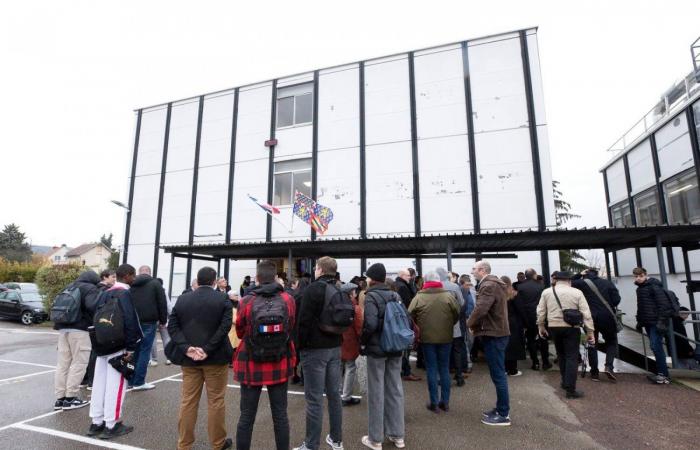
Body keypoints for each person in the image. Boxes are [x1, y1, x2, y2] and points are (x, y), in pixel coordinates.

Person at [167, 267, 233, 450]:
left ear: (198, 280)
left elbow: (172, 326)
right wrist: (207, 349)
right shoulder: (222, 298)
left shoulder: (183, 298)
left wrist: (186, 348)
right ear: (214, 282)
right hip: (215, 357)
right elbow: (225, 326)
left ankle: (184, 444)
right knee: (216, 401)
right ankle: (218, 443)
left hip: (189, 360)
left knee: (188, 401)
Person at [234, 260, 296, 450]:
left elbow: (240, 331)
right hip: (279, 359)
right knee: (280, 415)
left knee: (246, 416)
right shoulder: (288, 299)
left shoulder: (246, 300)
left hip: (251, 360)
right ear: (276, 277)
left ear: (257, 278)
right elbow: (290, 327)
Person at [294, 256, 344, 450]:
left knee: (314, 399)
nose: (314, 270)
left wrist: (300, 347)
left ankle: (311, 444)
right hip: (335, 347)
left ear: (321, 270)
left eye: (315, 268)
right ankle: (336, 439)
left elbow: (304, 321)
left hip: (315, 349)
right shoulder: (338, 288)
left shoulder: (313, 289)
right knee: (334, 395)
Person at [87, 264, 142, 439]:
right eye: (133, 276)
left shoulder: (104, 292)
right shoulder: (125, 293)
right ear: (127, 276)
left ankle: (96, 422)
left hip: (102, 343)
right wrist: (132, 346)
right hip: (119, 345)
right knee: (116, 385)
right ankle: (112, 424)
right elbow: (129, 320)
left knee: (99, 384)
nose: (134, 279)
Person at [360, 263, 406, 450]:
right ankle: (398, 436)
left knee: (376, 392)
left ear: (371, 278)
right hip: (395, 347)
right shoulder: (395, 295)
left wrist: (363, 341)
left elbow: (370, 324)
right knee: (395, 389)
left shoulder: (371, 296)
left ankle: (375, 439)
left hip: (377, 349)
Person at [537, 271, 595, 399]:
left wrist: (541, 326)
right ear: (569, 281)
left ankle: (564, 381)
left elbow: (541, 311)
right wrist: (590, 331)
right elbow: (586, 313)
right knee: (572, 357)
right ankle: (571, 390)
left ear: (556, 280)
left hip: (554, 327)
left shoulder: (547, 292)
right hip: (571, 328)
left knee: (561, 354)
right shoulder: (577, 292)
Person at [467, 261, 511, 426]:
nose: (472, 272)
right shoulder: (493, 283)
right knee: (497, 374)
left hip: (494, 335)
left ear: (482, 270)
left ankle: (503, 414)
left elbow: (481, 309)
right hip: (496, 333)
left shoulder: (489, 285)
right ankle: (501, 408)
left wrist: (469, 324)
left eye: (474, 269)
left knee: (498, 375)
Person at [409, 271, 459, 414]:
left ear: (425, 281)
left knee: (431, 368)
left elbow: (409, 315)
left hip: (426, 338)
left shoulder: (419, 297)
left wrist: (418, 326)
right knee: (444, 368)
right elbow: (456, 313)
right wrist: (448, 324)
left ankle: (434, 403)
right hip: (446, 337)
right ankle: (446, 402)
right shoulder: (448, 296)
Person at [53, 270, 101, 411]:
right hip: (80, 330)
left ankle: (60, 399)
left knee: (63, 364)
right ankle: (71, 398)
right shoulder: (90, 288)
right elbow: (93, 307)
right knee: (79, 363)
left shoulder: (68, 286)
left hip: (62, 329)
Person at [572, 267, 621, 381]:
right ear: (597, 274)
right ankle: (609, 366)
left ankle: (594, 373)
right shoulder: (607, 283)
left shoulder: (581, 283)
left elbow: (569, 282)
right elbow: (616, 300)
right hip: (607, 317)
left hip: (590, 317)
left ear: (586, 275)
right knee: (611, 341)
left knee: (592, 342)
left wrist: (579, 274)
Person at [128, 265, 168, 391]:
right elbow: (162, 302)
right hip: (149, 321)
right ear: (150, 273)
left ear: (139, 273)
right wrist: (163, 320)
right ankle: (139, 381)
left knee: (135, 351)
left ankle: (130, 380)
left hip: (134, 321)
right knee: (145, 351)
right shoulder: (155, 283)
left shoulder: (131, 284)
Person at [633, 267, 676, 384]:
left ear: (646, 275)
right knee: (655, 347)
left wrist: (661, 322)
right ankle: (662, 374)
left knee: (655, 346)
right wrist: (639, 321)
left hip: (656, 323)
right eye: (636, 276)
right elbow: (641, 307)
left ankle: (663, 375)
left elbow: (664, 305)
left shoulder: (654, 286)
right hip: (648, 322)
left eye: (640, 276)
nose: (638, 278)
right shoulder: (640, 289)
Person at [83, 269, 116, 390]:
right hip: (99, 324)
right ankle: (92, 382)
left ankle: (85, 379)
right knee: (96, 353)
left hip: (91, 324)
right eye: (112, 277)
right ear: (104, 277)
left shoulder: (94, 289)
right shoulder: (104, 290)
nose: (114, 279)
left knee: (92, 353)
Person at [435, 267, 466, 386]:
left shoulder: (433, 287)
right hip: (454, 325)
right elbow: (462, 303)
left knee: (441, 353)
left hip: (438, 326)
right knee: (457, 351)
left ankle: (442, 379)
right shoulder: (454, 286)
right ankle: (459, 378)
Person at [515, 268, 550, 370]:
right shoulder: (541, 286)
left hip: (527, 318)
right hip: (541, 316)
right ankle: (546, 363)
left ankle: (535, 363)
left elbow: (520, 305)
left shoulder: (520, 287)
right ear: (534, 275)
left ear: (526, 276)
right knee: (543, 339)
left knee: (530, 340)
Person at [394, 268, 421, 382]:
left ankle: (403, 370)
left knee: (403, 348)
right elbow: (408, 304)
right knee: (406, 347)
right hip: (405, 319)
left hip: (399, 320)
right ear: (403, 276)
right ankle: (406, 371)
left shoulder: (397, 284)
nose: (410, 278)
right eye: (408, 276)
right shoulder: (403, 287)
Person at [340, 283, 363, 406]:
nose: (356, 293)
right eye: (354, 291)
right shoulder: (355, 308)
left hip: (336, 341)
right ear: (351, 294)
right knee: (350, 368)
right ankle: (346, 396)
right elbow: (359, 328)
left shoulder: (335, 306)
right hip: (350, 342)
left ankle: (337, 393)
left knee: (337, 368)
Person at [502, 276, 526, 376]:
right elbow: (521, 310)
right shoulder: (514, 294)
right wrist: (526, 323)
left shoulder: (498, 294)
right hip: (514, 323)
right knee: (514, 346)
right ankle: (512, 370)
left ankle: (504, 369)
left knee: (504, 346)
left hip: (502, 322)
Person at [150, 277, 173, 366]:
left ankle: (154, 360)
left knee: (153, 339)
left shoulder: (150, 291)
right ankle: (169, 358)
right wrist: (170, 315)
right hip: (163, 318)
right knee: (166, 338)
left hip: (153, 318)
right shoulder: (163, 291)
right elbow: (168, 306)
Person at [458, 275, 476, 373]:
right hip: (462, 320)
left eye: (470, 284)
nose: (468, 286)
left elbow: (476, 306)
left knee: (470, 340)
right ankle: (467, 362)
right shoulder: (459, 293)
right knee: (464, 341)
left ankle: (467, 357)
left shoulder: (473, 293)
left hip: (472, 320)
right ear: (461, 284)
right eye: (466, 284)